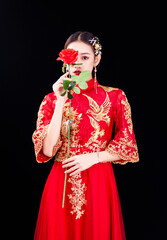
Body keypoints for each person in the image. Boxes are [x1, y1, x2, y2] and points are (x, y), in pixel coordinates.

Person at [32, 31, 139, 240]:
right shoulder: (51, 100)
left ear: (96, 59)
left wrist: (94, 157)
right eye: (73, 56)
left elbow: (128, 144)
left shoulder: (115, 96)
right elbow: (47, 150)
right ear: (64, 61)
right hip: (60, 182)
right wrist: (61, 100)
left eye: (85, 57)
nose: (78, 63)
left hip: (98, 182)